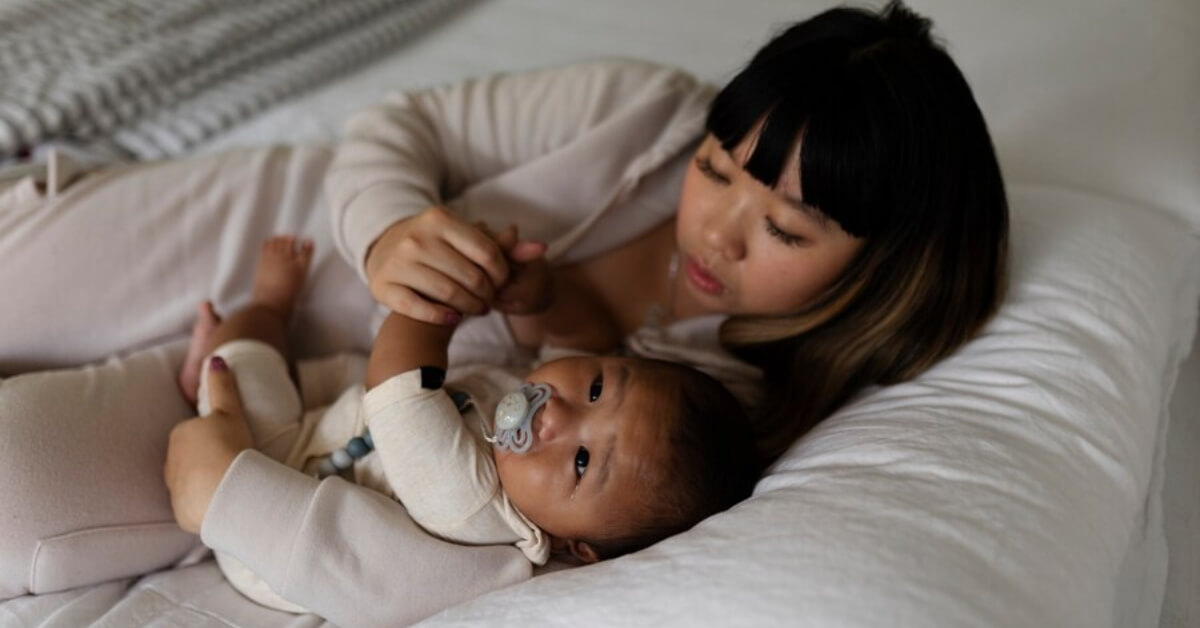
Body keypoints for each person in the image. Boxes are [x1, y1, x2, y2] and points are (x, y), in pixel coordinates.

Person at [0, 1, 1007, 623]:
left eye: (785, 231)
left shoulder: (716, 412)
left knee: (20, 496)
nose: (715, 233)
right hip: (273, 230)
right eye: (715, 171)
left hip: (300, 405)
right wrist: (391, 231)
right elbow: (400, 124)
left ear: (883, 267)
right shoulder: (643, 113)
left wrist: (236, 478)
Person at [182, 235, 756, 612]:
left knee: (242, 362)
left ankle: (264, 311)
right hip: (337, 427)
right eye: (599, 387)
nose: (559, 414)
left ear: (577, 547)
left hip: (275, 496)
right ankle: (219, 379)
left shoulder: (475, 502)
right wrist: (541, 298)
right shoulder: (534, 446)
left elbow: (397, 387)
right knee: (315, 375)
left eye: (582, 463)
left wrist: (443, 302)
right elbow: (589, 340)